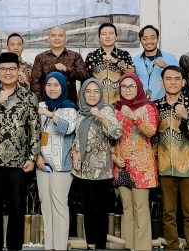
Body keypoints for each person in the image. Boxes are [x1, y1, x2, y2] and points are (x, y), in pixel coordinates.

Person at [0, 52, 39, 251]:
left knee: (17, 209)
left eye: (12, 69)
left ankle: (14, 247)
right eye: (3, 69)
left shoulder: (29, 96)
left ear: (19, 71)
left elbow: (34, 129)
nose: (8, 73)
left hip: (18, 162)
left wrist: (32, 157)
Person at [70, 78, 122, 250]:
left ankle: (100, 245)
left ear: (101, 93)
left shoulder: (106, 110)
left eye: (96, 91)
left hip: (101, 170)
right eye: (88, 91)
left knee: (100, 209)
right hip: (83, 169)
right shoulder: (80, 113)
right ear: (83, 94)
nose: (92, 95)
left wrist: (100, 116)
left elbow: (116, 132)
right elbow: (76, 138)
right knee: (87, 209)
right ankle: (90, 244)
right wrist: (75, 153)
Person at [153, 66, 189, 250]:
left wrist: (186, 116)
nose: (173, 82)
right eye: (169, 78)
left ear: (184, 82)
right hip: (165, 165)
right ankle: (172, 247)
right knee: (168, 212)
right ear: (161, 82)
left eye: (177, 79)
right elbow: (153, 136)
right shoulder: (155, 106)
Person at [112, 73, 159, 251]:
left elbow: (151, 131)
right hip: (122, 166)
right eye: (124, 86)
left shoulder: (148, 107)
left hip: (141, 166)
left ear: (138, 87)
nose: (127, 90)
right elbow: (112, 138)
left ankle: (143, 248)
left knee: (140, 208)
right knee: (127, 209)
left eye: (131, 86)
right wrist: (114, 156)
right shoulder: (116, 109)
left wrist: (133, 116)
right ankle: (131, 246)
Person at [35, 72, 78, 251]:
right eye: (49, 85)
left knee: (59, 206)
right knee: (46, 206)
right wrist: (37, 156)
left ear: (63, 87)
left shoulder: (70, 108)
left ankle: (60, 247)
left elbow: (67, 129)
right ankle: (49, 246)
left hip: (61, 165)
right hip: (42, 164)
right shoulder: (39, 106)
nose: (52, 88)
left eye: (56, 85)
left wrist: (50, 115)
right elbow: (34, 134)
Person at [31, 26, 90, 104]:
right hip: (46, 104)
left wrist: (67, 69)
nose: (57, 38)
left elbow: (85, 76)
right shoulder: (40, 58)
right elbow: (35, 82)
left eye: (60, 35)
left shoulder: (75, 56)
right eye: (53, 35)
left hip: (70, 103)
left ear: (66, 39)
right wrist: (40, 103)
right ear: (48, 39)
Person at [85, 23, 135, 105]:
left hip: (121, 102)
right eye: (104, 34)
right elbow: (86, 81)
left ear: (116, 37)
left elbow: (132, 74)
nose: (108, 36)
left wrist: (116, 61)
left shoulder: (124, 54)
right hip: (98, 103)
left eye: (111, 33)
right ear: (99, 37)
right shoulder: (92, 56)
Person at [132, 25, 178, 101]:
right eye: (145, 39)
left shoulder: (170, 58)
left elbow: (179, 79)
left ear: (158, 38)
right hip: (141, 103)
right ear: (140, 41)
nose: (149, 41)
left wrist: (165, 66)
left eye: (152, 38)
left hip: (163, 103)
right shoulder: (134, 61)